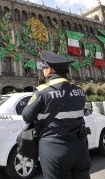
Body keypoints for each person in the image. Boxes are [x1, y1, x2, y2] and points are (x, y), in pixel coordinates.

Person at [22, 51, 91, 179]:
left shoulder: (43, 91)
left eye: (44, 67)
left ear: (50, 70)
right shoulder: (79, 90)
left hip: (54, 147)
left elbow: (27, 116)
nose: (42, 70)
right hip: (80, 147)